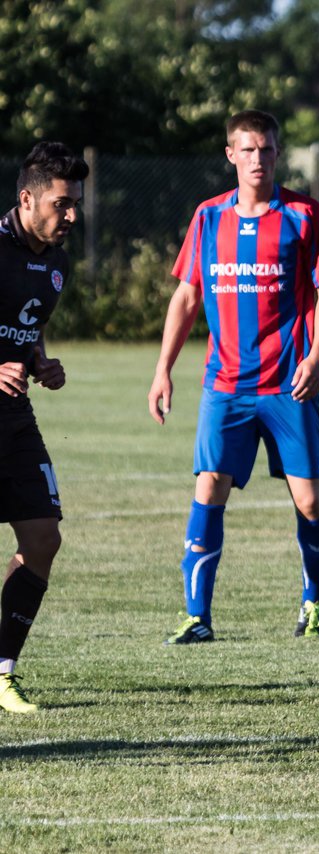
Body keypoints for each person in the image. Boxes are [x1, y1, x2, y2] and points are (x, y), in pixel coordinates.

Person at [148, 109, 319, 644]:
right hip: (225, 385)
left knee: (308, 502)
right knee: (210, 488)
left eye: (268, 149)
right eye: (248, 149)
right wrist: (163, 370)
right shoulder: (208, 217)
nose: (259, 159)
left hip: (288, 384)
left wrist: (317, 356)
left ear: (278, 153)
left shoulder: (304, 215)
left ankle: (313, 603)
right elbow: (186, 296)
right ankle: (196, 617)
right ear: (231, 154)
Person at [0, 142, 88, 713]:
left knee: (42, 539)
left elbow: (23, 328)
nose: (72, 216)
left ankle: (2, 672)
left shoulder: (54, 263)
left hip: (12, 416)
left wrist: (38, 361)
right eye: (62, 204)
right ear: (27, 198)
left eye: (76, 203)